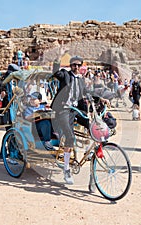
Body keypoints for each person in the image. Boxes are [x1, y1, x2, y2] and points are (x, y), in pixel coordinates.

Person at [51, 55, 109, 184]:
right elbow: (55, 73)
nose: (75, 67)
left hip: (77, 110)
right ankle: (66, 169)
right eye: (73, 65)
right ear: (70, 66)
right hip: (64, 110)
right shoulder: (65, 75)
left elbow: (88, 93)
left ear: (81, 66)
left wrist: (101, 99)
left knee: (94, 128)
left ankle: (90, 155)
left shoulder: (81, 80)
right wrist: (58, 58)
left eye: (78, 65)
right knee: (70, 137)